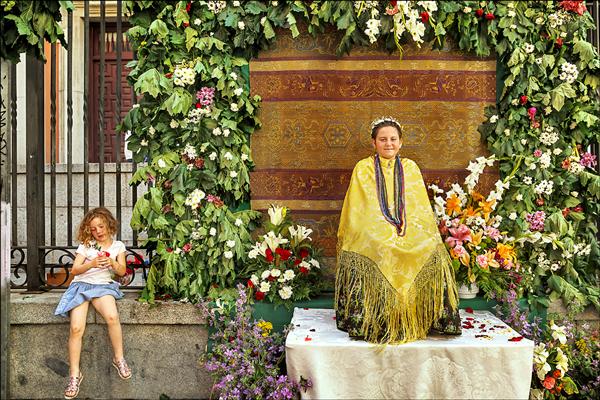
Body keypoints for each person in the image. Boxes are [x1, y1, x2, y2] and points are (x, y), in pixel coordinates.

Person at [335, 116, 461, 344]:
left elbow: (419, 207)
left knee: (430, 245)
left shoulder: (410, 167)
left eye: (393, 139)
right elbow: (360, 207)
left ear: (401, 142)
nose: (388, 144)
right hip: (373, 230)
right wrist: (384, 232)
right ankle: (373, 321)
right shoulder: (363, 168)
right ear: (374, 143)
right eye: (383, 139)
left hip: (409, 229)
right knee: (376, 243)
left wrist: (404, 231)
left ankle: (427, 319)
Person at [55, 207, 132, 399]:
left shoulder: (118, 246)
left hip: (103, 286)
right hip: (81, 285)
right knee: (76, 328)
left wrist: (112, 264)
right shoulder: (87, 245)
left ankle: (119, 358)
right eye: (93, 228)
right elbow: (74, 270)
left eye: (101, 226)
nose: (98, 231)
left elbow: (122, 271)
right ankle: (74, 374)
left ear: (108, 224)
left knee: (112, 316)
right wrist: (91, 264)